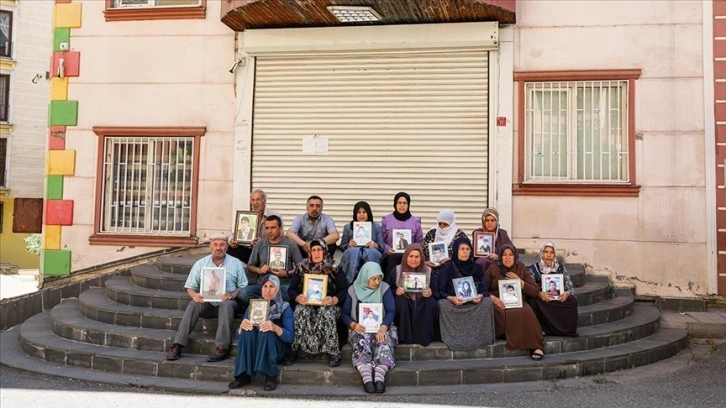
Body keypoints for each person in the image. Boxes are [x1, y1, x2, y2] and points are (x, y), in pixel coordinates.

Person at [166, 233, 248, 362]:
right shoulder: (200, 264)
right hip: (208, 304)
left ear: (227, 247)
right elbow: (189, 287)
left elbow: (243, 286)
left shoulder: (236, 263)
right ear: (210, 246)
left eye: (222, 245)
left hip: (228, 304)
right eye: (215, 244)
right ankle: (178, 345)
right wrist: (195, 295)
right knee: (193, 304)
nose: (218, 248)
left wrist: (232, 295)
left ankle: (222, 348)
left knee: (227, 304)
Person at [287, 240, 349, 367]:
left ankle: (333, 352)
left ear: (324, 251)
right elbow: (291, 289)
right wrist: (297, 297)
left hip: (329, 305)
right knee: (300, 311)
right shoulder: (302, 267)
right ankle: (294, 350)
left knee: (326, 312)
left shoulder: (334, 267)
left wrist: (334, 299)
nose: (316, 253)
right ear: (310, 253)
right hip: (307, 304)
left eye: (319, 250)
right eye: (313, 250)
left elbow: (344, 289)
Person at [229, 275, 294, 391]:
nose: (267, 290)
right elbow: (239, 336)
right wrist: (241, 327)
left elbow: (289, 337)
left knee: (266, 332)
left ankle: (270, 376)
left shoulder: (284, 307)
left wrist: (275, 328)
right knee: (247, 332)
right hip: (255, 347)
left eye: (271, 287)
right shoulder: (254, 306)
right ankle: (243, 375)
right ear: (261, 289)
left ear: (277, 289)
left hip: (276, 348)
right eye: (265, 286)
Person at [342, 262, 396, 394]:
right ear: (365, 277)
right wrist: (353, 325)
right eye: (373, 279)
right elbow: (345, 314)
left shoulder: (384, 288)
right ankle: (367, 379)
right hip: (360, 329)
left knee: (384, 342)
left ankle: (379, 377)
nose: (377, 282)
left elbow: (391, 310)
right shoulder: (353, 290)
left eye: (379, 278)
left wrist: (383, 327)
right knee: (361, 342)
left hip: (381, 328)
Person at [486, 244, 545, 360]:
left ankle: (537, 346)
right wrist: (492, 298)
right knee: (504, 313)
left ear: (515, 257)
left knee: (527, 311)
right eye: (504, 255)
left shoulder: (521, 269)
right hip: (499, 303)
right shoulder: (493, 269)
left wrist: (520, 282)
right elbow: (482, 288)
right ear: (500, 257)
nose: (507, 258)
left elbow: (535, 290)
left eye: (510, 255)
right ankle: (508, 335)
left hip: (517, 301)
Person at [435, 236, 494, 351]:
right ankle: (455, 338)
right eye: (462, 249)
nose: (465, 252)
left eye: (467, 249)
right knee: (442, 304)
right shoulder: (447, 267)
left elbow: (484, 290)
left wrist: (480, 296)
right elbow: (439, 290)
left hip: (473, 302)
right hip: (454, 303)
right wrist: (451, 298)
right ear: (456, 250)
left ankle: (478, 338)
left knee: (487, 302)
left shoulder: (477, 268)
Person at [240, 215, 302, 307]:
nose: (269, 231)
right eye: (267, 228)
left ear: (280, 228)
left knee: (289, 293)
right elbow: (250, 266)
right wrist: (260, 270)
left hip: (282, 285)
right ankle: (272, 303)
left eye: (273, 228)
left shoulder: (291, 245)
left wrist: (286, 273)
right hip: (263, 285)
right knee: (243, 293)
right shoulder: (260, 244)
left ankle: (265, 304)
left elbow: (301, 267)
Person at [386, 244, 438, 346]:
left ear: (421, 258)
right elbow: (387, 290)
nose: (413, 260)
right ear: (406, 257)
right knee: (401, 302)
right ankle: (405, 337)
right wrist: (396, 291)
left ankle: (423, 337)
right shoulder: (397, 270)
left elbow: (437, 292)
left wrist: (430, 292)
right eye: (411, 256)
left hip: (422, 300)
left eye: (417, 257)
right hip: (405, 300)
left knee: (430, 303)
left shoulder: (428, 271)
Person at [528, 241, 578, 337]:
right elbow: (531, 287)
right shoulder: (534, 269)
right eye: (546, 252)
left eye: (552, 252)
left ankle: (565, 330)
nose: (549, 255)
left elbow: (570, 287)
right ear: (542, 253)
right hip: (543, 299)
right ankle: (542, 328)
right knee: (533, 300)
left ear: (555, 254)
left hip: (559, 298)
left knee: (572, 301)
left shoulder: (561, 268)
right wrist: (539, 293)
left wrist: (567, 293)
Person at [228, 189, 283, 263]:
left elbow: (281, 236)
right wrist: (232, 240)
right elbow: (234, 234)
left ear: (264, 201)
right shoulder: (247, 216)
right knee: (229, 248)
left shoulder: (275, 215)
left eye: (258, 200)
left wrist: (263, 242)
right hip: (249, 250)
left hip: (266, 249)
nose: (255, 203)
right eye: (253, 200)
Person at [339, 201, 385, 283]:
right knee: (353, 252)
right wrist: (349, 245)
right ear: (355, 214)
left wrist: (375, 245)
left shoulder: (376, 226)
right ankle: (350, 281)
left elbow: (382, 246)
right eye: (359, 212)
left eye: (364, 212)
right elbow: (342, 246)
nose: (361, 215)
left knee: (372, 252)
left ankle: (373, 280)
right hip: (353, 251)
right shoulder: (348, 227)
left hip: (371, 251)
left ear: (368, 213)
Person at [380, 192, 424, 278]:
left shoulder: (415, 221)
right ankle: (390, 284)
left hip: (410, 255)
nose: (402, 205)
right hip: (391, 255)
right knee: (393, 258)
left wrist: (412, 251)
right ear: (395, 204)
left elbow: (419, 241)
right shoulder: (386, 220)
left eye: (405, 203)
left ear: (408, 205)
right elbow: (381, 240)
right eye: (399, 203)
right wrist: (387, 249)